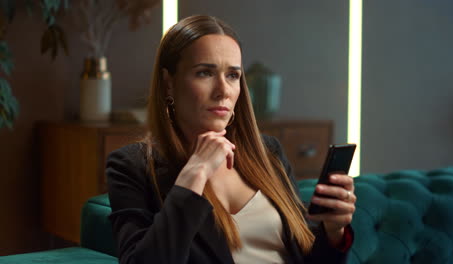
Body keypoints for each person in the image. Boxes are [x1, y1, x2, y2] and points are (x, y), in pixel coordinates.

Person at [106, 15, 356, 264]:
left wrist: (334, 232)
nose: (223, 90)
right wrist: (192, 176)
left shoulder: (268, 152)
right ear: (168, 84)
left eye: (233, 75)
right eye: (204, 73)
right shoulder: (131, 166)